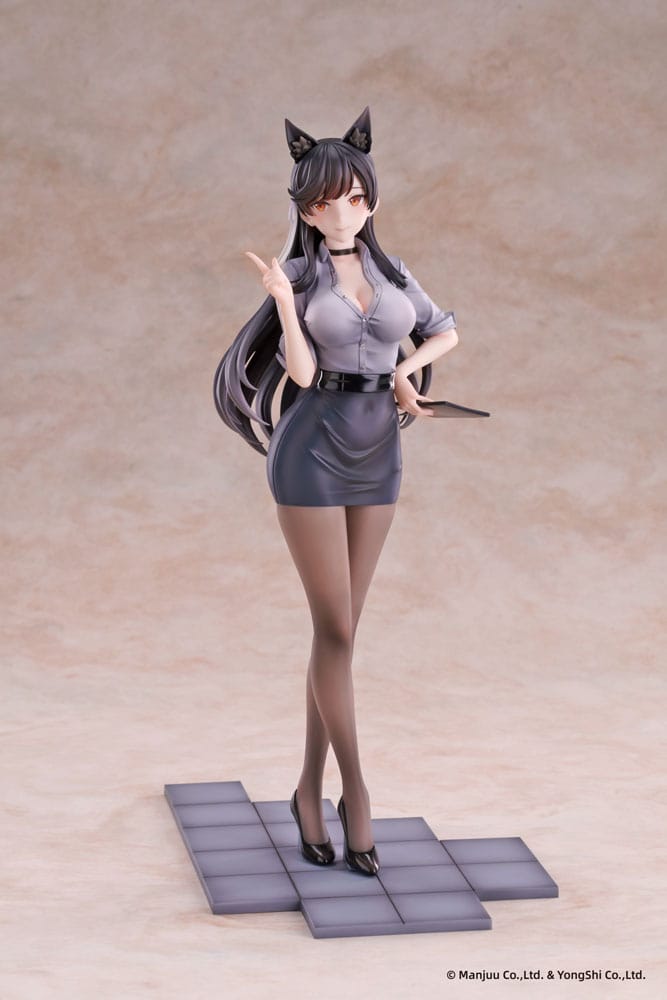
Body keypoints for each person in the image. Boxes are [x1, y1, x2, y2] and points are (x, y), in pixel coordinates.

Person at [213, 107, 459, 876]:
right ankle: (356, 794)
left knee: (339, 633)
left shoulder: (392, 273)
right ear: (305, 210)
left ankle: (305, 791)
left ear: (370, 198)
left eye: (353, 198)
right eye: (323, 203)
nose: (341, 213)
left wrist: (405, 372)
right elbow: (301, 373)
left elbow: (444, 328)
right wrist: (284, 303)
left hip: (379, 452)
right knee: (337, 632)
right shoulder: (297, 276)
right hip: (311, 451)